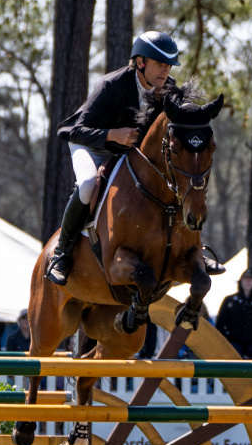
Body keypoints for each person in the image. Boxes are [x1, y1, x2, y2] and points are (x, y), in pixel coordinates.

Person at [44, 31, 182, 286]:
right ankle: (61, 254)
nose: (165, 71)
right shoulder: (111, 85)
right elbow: (77, 130)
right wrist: (112, 135)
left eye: (168, 66)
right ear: (140, 62)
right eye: (160, 64)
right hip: (90, 145)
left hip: (125, 150)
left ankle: (187, 248)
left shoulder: (168, 89)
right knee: (87, 184)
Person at [217, 268, 252, 358]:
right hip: (234, 342)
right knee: (234, 358)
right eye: (245, 279)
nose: (248, 282)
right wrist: (229, 336)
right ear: (240, 281)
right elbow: (220, 323)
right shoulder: (230, 301)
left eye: (251, 279)